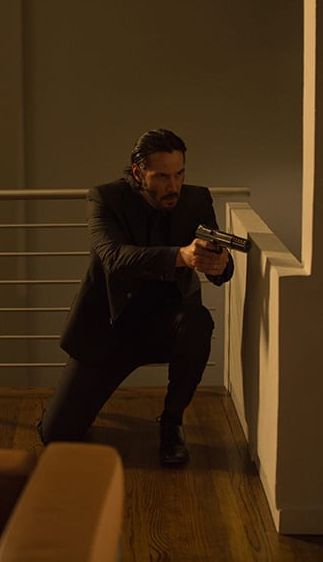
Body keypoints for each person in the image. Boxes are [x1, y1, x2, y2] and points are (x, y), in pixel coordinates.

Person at [38, 128, 234, 466]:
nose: (174, 186)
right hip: (110, 330)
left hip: (167, 327)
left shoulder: (197, 200)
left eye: (179, 174)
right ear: (138, 173)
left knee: (198, 321)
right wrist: (180, 256)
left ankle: (172, 422)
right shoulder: (104, 198)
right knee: (56, 434)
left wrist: (220, 263)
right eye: (162, 177)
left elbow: (219, 271)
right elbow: (114, 258)